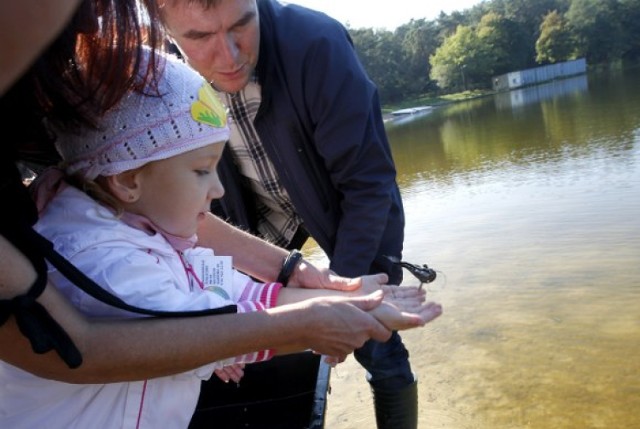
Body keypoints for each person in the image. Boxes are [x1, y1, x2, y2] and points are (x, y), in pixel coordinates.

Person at [0, 48, 440, 428]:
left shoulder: (135, 221)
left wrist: (343, 296)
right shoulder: (103, 258)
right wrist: (318, 322)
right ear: (128, 179)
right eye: (200, 170)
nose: (219, 189)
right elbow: (202, 333)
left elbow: (222, 293)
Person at [157, 1, 417, 427]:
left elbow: (368, 183)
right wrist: (218, 299)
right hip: (242, 215)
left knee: (375, 329)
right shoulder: (157, 77)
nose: (230, 56)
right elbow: (181, 210)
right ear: (162, 27)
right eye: (199, 38)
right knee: (247, 336)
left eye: (241, 25)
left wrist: (342, 294)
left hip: (334, 203)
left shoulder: (317, 45)